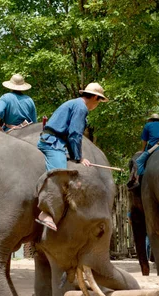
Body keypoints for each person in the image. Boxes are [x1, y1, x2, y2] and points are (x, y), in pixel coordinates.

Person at [35, 82, 109, 231]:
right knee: (60, 173)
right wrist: (78, 157)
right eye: (99, 101)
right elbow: (74, 134)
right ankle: (46, 212)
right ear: (95, 97)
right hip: (52, 143)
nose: (98, 104)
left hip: (57, 141)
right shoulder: (81, 108)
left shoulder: (75, 104)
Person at [127, 114, 159, 189]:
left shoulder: (148, 125)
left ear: (151, 120)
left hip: (154, 147)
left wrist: (142, 150)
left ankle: (138, 179)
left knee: (138, 161)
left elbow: (144, 140)